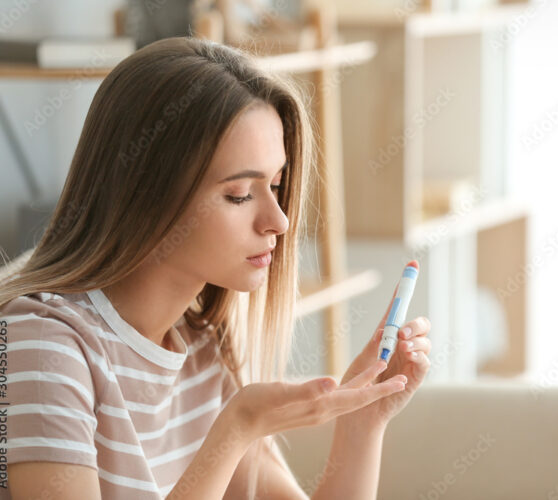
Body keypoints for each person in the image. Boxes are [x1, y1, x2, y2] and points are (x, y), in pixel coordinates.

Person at [0, 36, 432, 499]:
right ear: (146, 195)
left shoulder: (203, 346)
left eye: (277, 184)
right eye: (239, 194)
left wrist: (361, 423)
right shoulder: (43, 346)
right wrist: (236, 429)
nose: (279, 220)